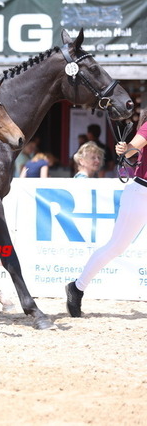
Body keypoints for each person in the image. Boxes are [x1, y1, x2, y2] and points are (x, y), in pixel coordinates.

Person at [65, 110, 147, 317]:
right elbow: (131, 151)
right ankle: (77, 287)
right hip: (141, 193)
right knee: (115, 247)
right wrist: (125, 149)